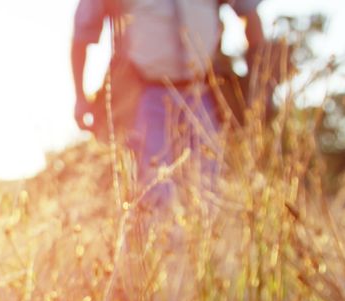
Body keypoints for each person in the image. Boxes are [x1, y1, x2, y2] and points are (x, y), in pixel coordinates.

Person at [72, 0, 267, 210]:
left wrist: (258, 85)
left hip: (203, 92)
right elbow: (82, 34)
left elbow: (249, 14)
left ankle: (203, 239)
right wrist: (80, 98)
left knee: (210, 191)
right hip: (144, 95)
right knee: (153, 191)